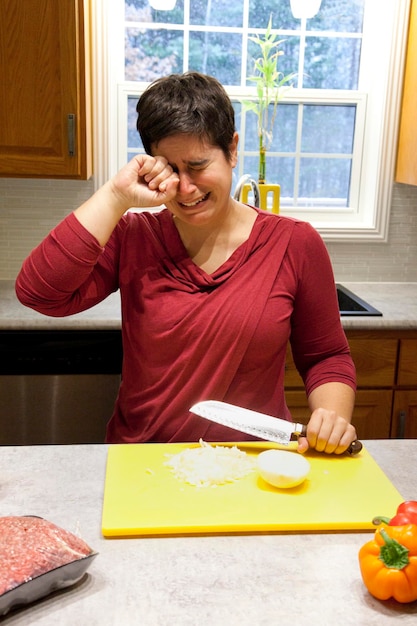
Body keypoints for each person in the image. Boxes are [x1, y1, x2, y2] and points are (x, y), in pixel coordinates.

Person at [15, 72, 357, 454]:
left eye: (197, 165)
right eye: (171, 170)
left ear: (232, 149)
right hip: (142, 461)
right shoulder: (134, 237)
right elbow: (40, 294)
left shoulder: (294, 243)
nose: (186, 187)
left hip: (253, 463)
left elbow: (326, 356)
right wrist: (115, 196)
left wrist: (332, 416)